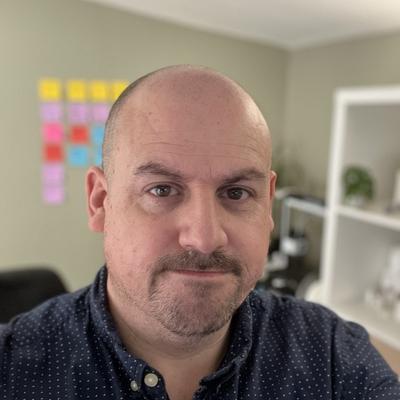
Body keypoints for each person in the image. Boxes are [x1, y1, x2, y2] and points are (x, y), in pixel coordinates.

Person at [0, 65, 399, 400]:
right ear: (100, 201)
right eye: (162, 190)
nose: (205, 239)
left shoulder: (331, 356)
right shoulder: (12, 370)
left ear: (268, 205)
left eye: (237, 193)